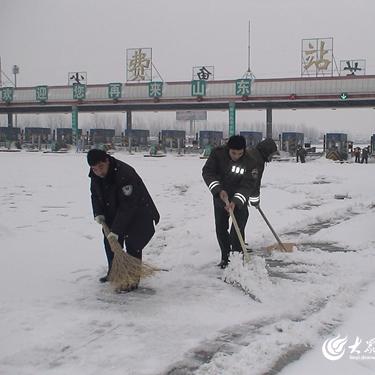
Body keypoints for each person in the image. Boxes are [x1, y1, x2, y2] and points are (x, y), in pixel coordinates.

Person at [87, 149, 160, 287]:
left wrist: (117, 229)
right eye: (94, 169)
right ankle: (114, 273)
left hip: (138, 212)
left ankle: (132, 280)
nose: (99, 172)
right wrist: (98, 213)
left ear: (107, 160)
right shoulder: (95, 176)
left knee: (133, 244)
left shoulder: (125, 174)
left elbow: (129, 205)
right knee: (111, 243)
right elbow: (95, 195)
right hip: (113, 212)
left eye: (101, 167)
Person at [202, 135, 259, 268]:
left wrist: (236, 202)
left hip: (239, 199)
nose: (236, 156)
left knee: (237, 229)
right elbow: (208, 172)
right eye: (233, 153)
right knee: (221, 228)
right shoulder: (217, 154)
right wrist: (218, 190)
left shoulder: (250, 161)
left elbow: (248, 184)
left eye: (240, 153)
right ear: (228, 149)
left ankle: (237, 260)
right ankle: (226, 258)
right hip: (221, 196)